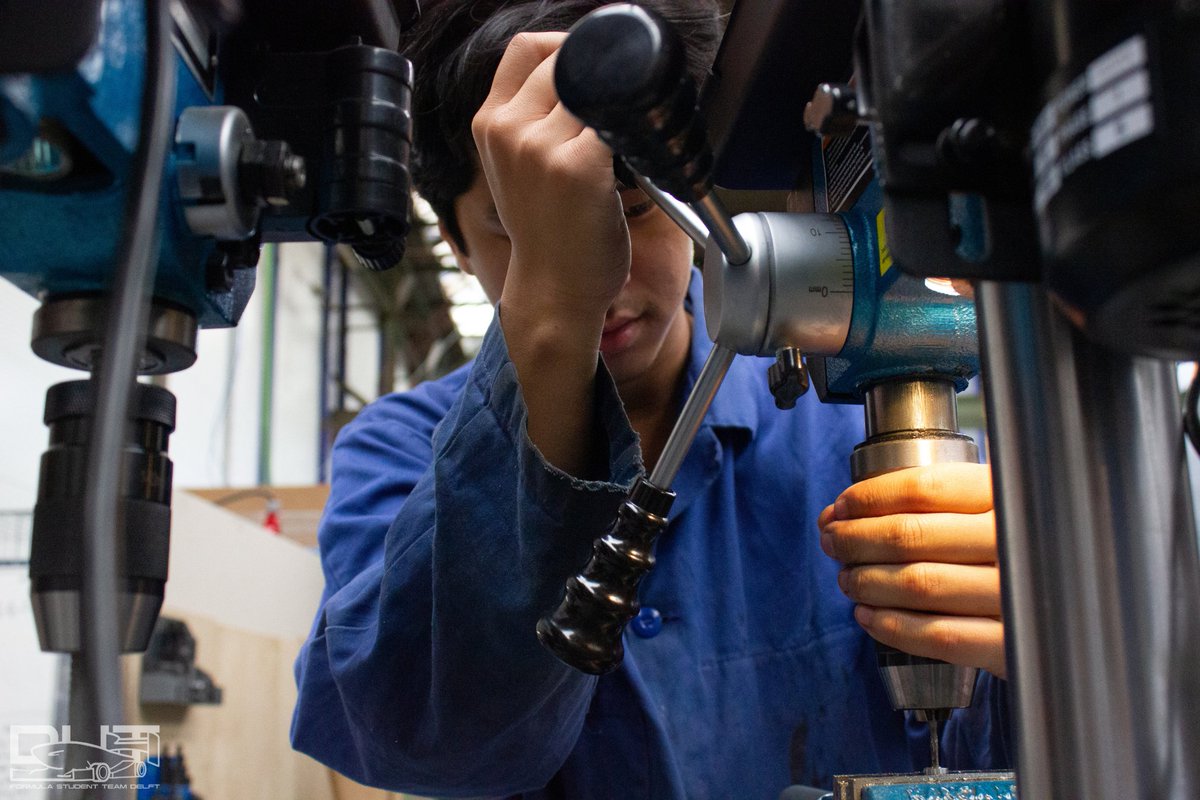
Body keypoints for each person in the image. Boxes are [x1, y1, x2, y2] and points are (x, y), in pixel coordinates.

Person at [291, 2, 1011, 797]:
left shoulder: (848, 421)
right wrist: (550, 315)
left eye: (639, 210)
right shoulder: (394, 450)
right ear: (455, 243)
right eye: (526, 229)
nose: (606, 278)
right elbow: (429, 744)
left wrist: (1041, 633)